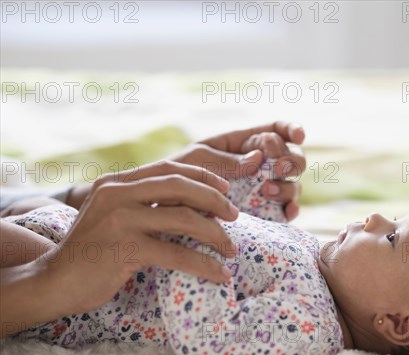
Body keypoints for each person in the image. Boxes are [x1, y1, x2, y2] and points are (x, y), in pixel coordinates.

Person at [2, 132, 409, 355]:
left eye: (393, 237)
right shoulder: (323, 262)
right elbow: (254, 240)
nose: (376, 219)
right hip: (84, 232)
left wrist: (194, 236)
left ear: (399, 323)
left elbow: (212, 340)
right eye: (392, 215)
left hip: (83, 296)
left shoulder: (310, 330)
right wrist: (251, 184)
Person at [0, 121, 306, 338]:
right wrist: (45, 279)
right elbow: (211, 335)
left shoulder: (318, 312)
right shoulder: (313, 316)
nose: (357, 221)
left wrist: (85, 199)